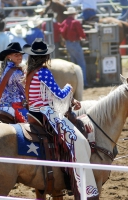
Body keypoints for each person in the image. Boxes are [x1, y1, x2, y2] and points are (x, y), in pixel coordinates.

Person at [23, 38, 99, 199]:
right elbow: (59, 94)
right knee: (77, 140)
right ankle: (82, 183)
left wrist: (71, 100)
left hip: (33, 113)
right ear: (46, 56)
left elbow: (46, 95)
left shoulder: (29, 72)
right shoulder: (43, 71)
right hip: (44, 114)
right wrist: (69, 88)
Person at [0, 42, 28, 123]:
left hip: (2, 106)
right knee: (32, 125)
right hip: (14, 106)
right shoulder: (17, 72)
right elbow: (24, 90)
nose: (20, 57)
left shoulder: (2, 70)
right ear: (9, 56)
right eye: (16, 55)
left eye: (20, 55)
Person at [60, 7, 88, 88]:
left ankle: (75, 83)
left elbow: (62, 32)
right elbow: (81, 33)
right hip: (75, 43)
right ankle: (84, 82)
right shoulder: (75, 22)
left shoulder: (65, 22)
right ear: (74, 14)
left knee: (73, 64)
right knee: (81, 64)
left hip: (68, 43)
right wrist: (84, 37)